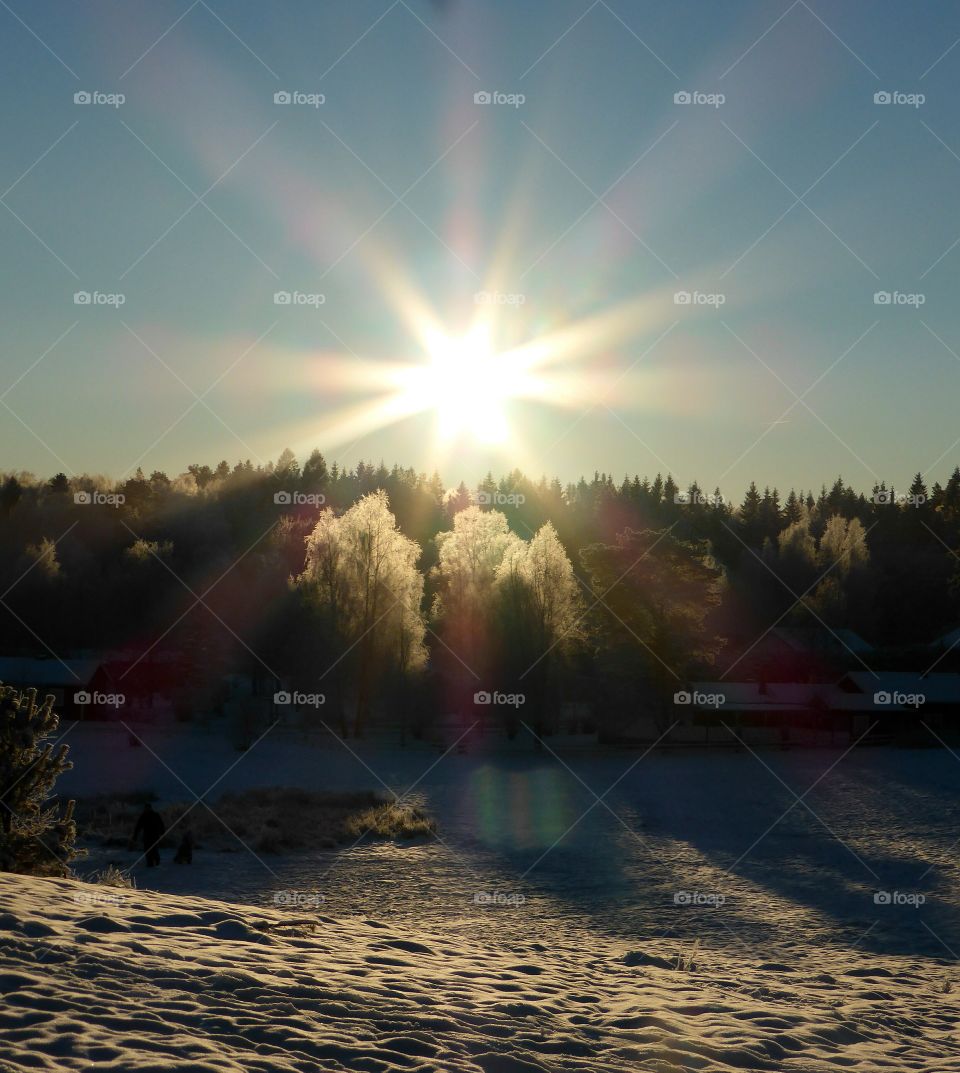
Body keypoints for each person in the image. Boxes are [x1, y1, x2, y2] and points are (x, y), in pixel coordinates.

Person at [132, 802, 165, 867]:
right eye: (146, 808)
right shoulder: (144, 816)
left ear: (150, 808)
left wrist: (162, 832)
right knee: (147, 849)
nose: (146, 809)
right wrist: (135, 835)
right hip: (147, 835)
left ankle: (156, 860)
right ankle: (150, 863)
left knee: (153, 849)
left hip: (154, 835)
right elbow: (138, 826)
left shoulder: (154, 815)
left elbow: (161, 824)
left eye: (147, 808)